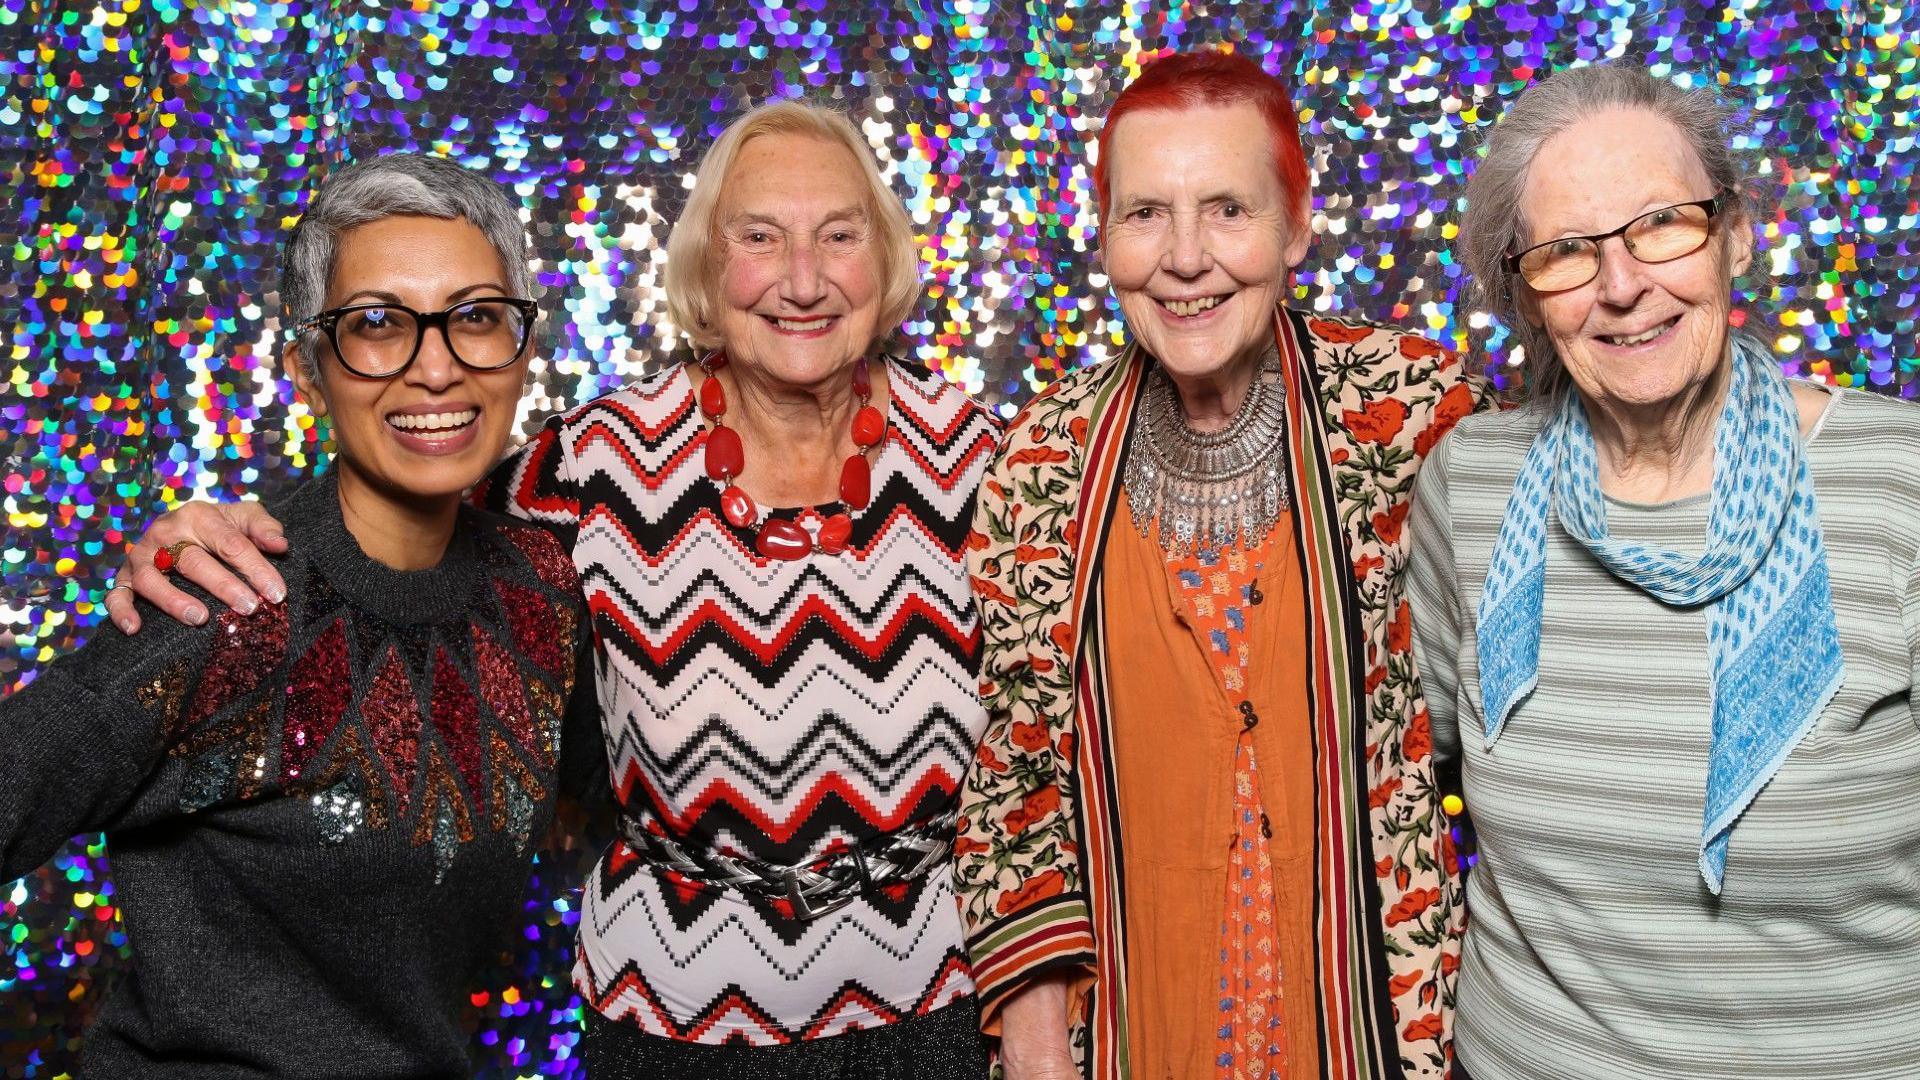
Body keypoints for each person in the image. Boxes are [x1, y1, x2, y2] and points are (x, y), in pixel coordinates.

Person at [106, 101, 1001, 1078]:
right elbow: (398, 508)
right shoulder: (591, 462)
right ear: (707, 264)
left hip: (941, 1015)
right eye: (759, 237)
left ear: (888, 257)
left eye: (840, 234)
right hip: (671, 1026)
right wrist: (238, 536)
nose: (802, 278)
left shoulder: (990, 462)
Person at [0, 153, 601, 1076]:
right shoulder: (229, 595)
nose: (435, 368)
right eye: (375, 326)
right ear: (306, 371)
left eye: (477, 318)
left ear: (523, 349)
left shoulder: (540, 595)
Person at [957, 48, 1486, 1080]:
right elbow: (1015, 777)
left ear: (1297, 225)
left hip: (1381, 1025)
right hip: (1131, 1026)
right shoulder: (1041, 460)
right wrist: (1033, 1049)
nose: (1185, 257)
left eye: (1228, 210)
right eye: (1145, 212)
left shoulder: (1419, 413)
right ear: (1102, 232)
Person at [1406, 62, 1920, 1080]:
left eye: (1662, 225)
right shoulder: (1470, 487)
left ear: (1735, 234)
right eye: (1565, 252)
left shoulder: (1898, 485)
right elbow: (1407, 786)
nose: (1622, 284)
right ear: (1523, 293)